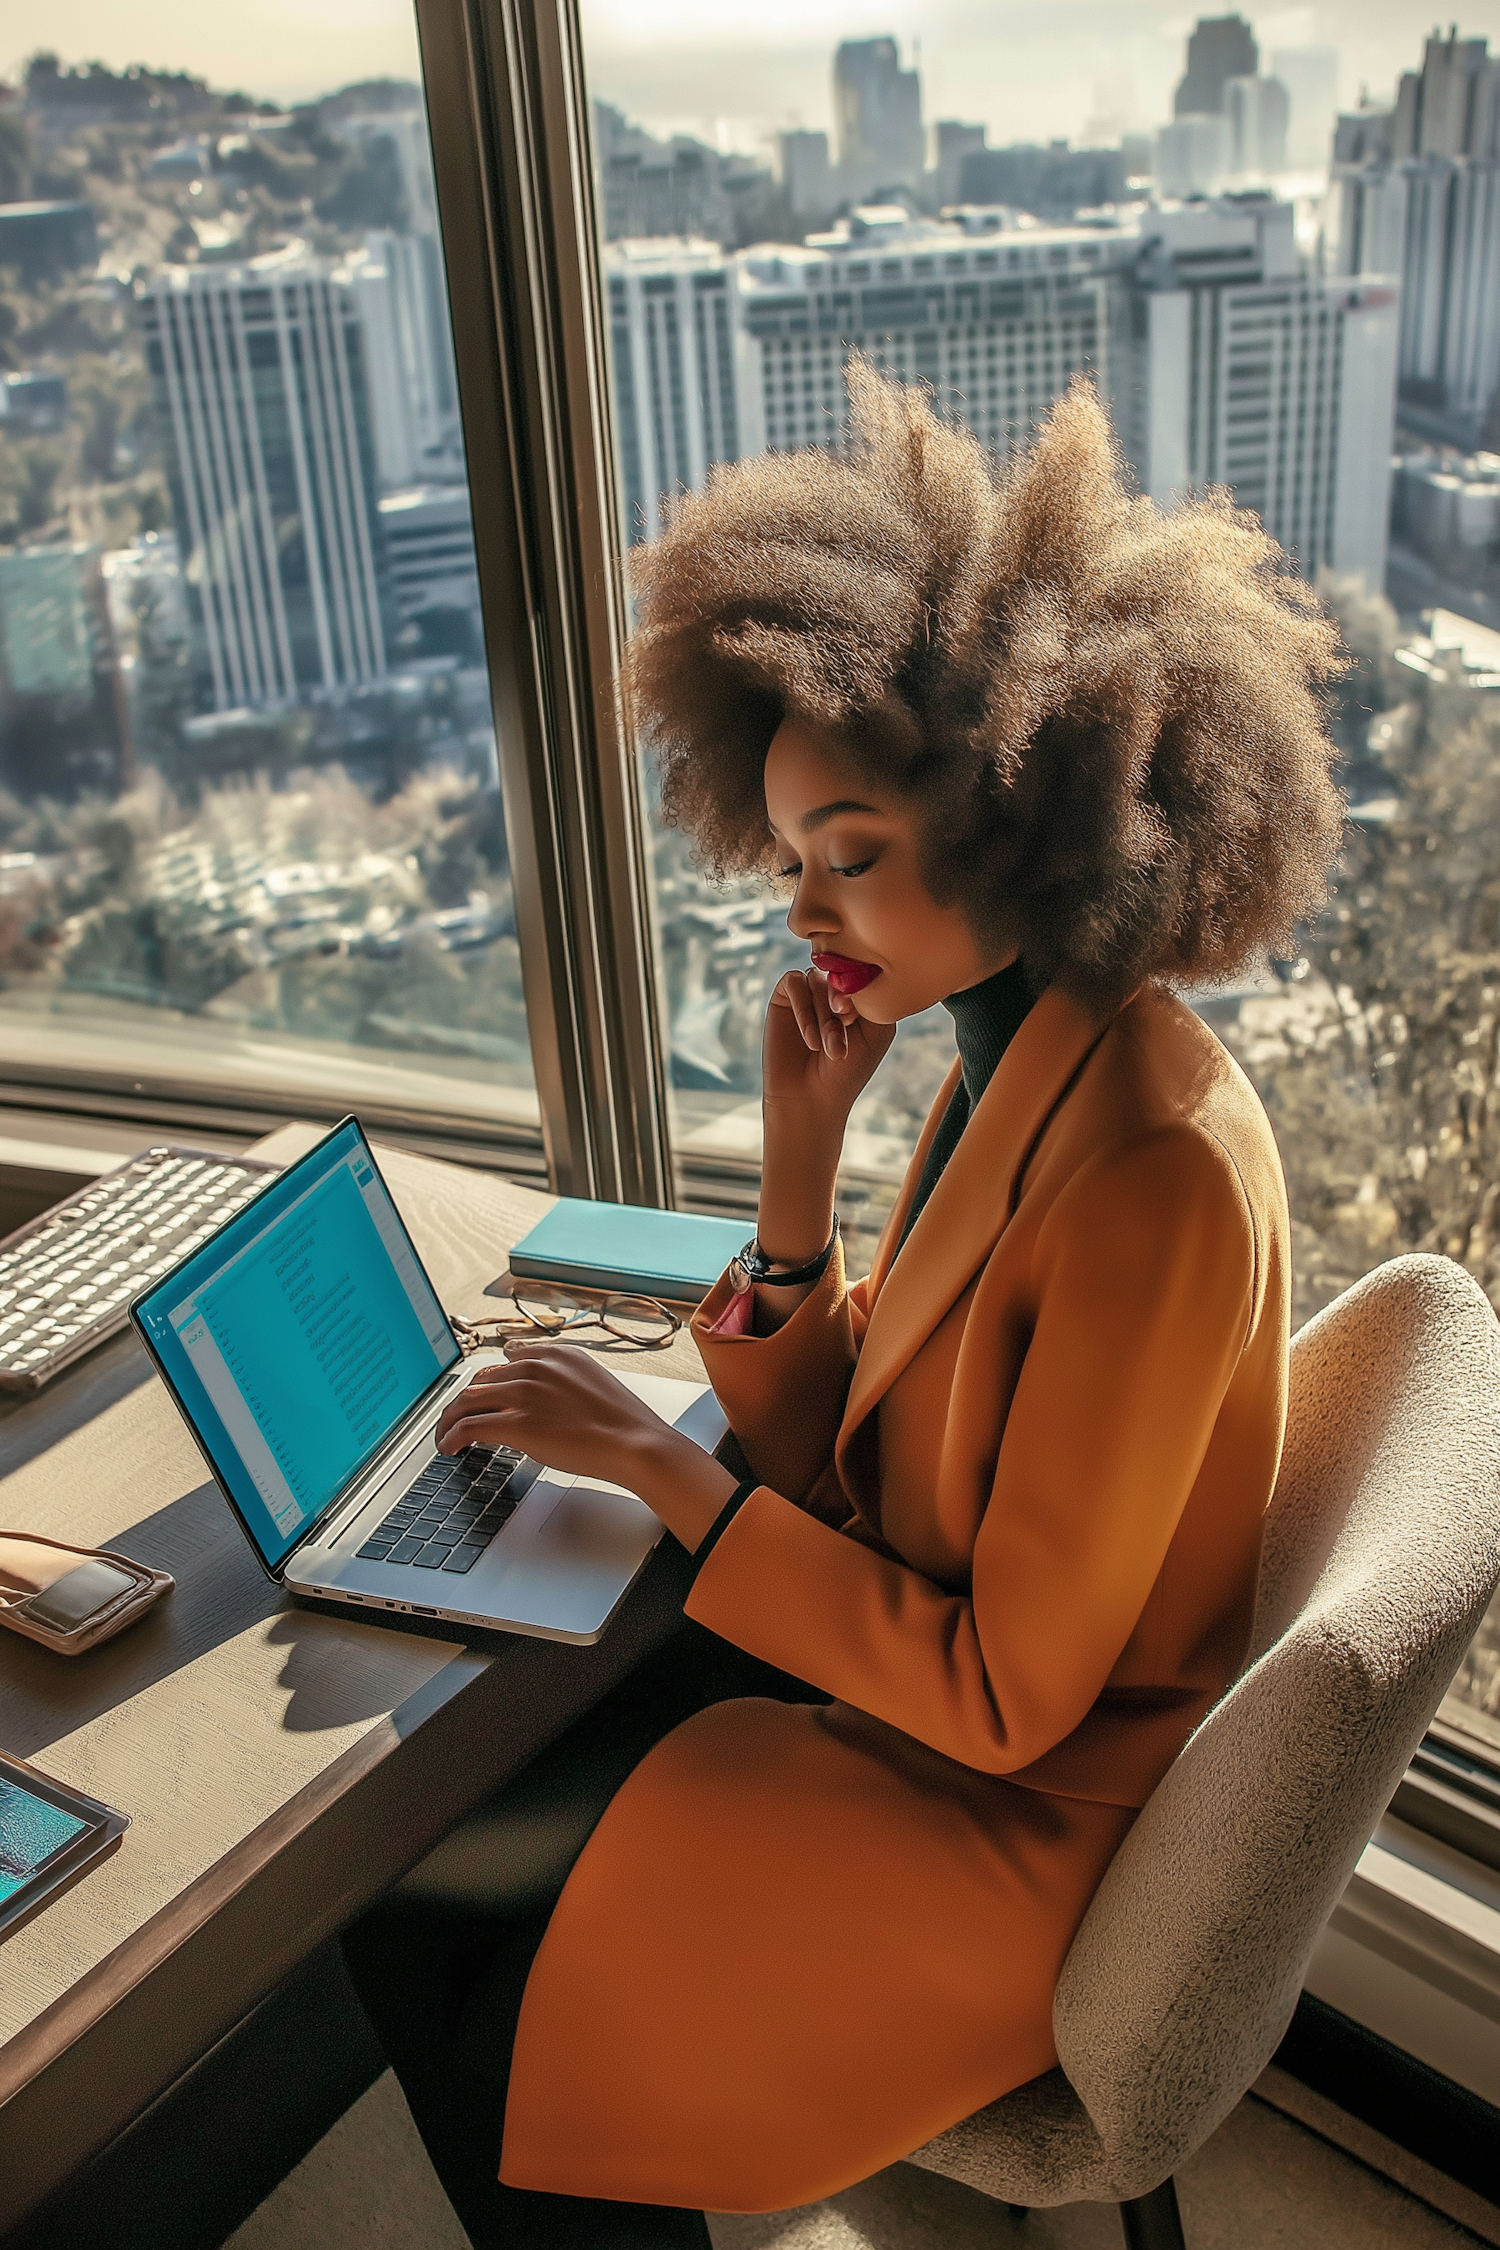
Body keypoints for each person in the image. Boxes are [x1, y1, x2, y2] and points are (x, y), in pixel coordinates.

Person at [343, 365, 1345, 2247]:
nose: (805, 910)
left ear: (1020, 820)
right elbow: (861, 1457)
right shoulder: (1016, 1053)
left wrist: (670, 1471)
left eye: (854, 858)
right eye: (791, 857)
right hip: (907, 1709)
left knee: (462, 1958)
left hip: (1019, 1823)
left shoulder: (1153, 1173)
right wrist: (796, 1177)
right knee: (454, 1838)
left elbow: (1003, 1692)